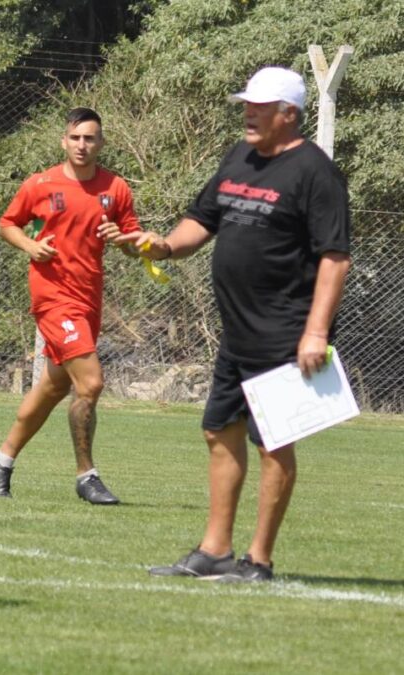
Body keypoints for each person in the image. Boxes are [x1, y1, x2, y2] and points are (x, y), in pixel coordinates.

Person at [119, 67, 351, 582]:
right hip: (238, 330)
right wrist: (162, 245)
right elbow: (202, 220)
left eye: (260, 106)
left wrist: (315, 332)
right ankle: (214, 550)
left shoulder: (315, 172)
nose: (248, 112)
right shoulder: (240, 156)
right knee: (217, 430)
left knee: (273, 442)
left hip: (286, 330)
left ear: (288, 114)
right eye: (246, 103)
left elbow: (335, 258)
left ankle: (259, 559)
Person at [0, 108, 141, 505]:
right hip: (53, 298)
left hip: (90, 299)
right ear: (63, 141)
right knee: (90, 383)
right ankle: (87, 476)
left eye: (90, 138)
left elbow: (136, 242)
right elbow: (7, 223)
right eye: (75, 138)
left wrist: (122, 238)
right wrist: (30, 245)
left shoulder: (116, 188)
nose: (82, 145)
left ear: (101, 143)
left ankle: (1, 458)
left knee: (54, 386)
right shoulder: (40, 184)